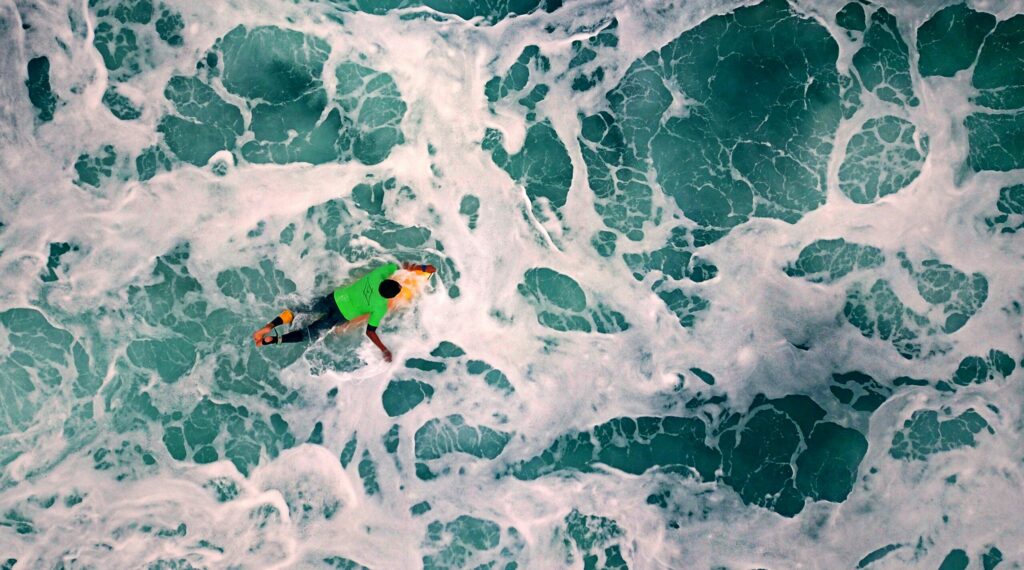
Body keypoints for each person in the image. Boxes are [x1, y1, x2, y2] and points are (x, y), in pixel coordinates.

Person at [253, 261, 436, 361]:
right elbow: (370, 332)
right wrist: (384, 349)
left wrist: (416, 267)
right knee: (309, 333)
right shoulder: (380, 306)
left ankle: (269, 326)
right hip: (340, 316)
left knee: (299, 309)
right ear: (390, 296)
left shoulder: (378, 274)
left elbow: (402, 267)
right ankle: (273, 340)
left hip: (334, 298)